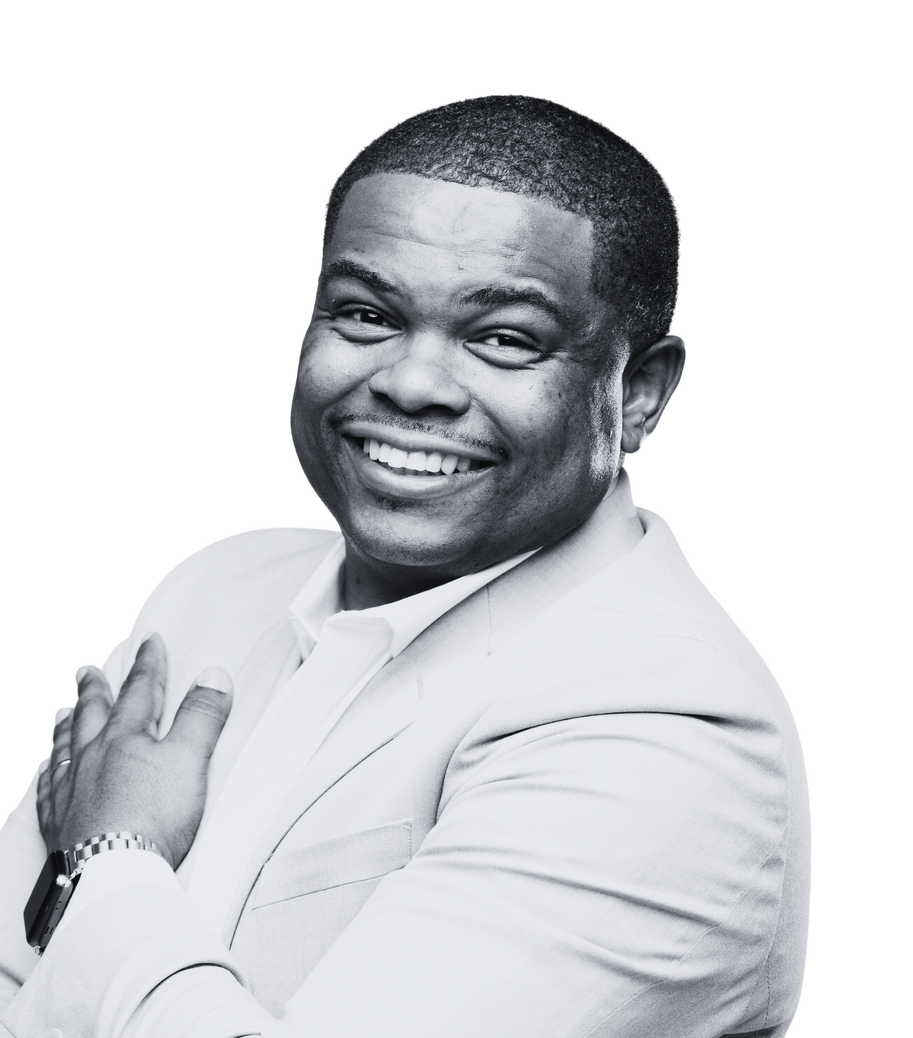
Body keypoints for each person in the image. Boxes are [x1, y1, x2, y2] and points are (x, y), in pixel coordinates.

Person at [0, 95, 812, 1038]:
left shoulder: (665, 725)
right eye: (366, 314)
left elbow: (69, 913)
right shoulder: (217, 590)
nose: (412, 383)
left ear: (635, 394)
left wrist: (110, 855)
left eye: (504, 337)